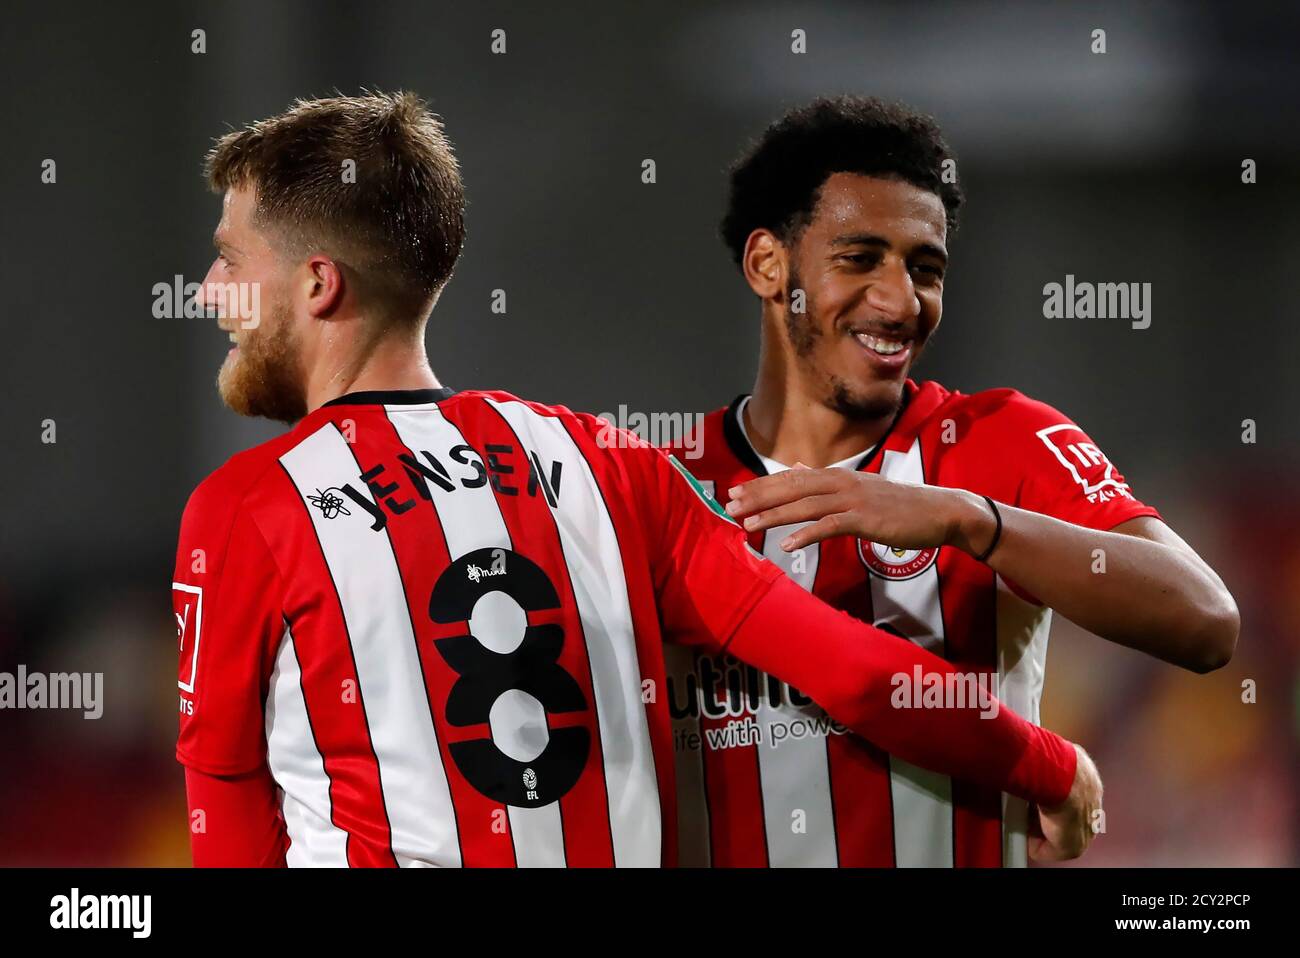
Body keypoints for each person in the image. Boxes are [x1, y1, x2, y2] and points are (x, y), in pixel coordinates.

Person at [173, 92, 1098, 867]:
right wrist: (1049, 765)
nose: (210, 291)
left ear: (318, 284)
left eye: (230, 258)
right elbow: (854, 676)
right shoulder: (612, 469)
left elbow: (226, 807)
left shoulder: (247, 511)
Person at [663, 96, 1238, 867]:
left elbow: (1205, 621)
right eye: (859, 259)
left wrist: (970, 520)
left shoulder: (999, 439)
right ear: (769, 264)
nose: (901, 301)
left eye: (924, 269)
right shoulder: (668, 481)